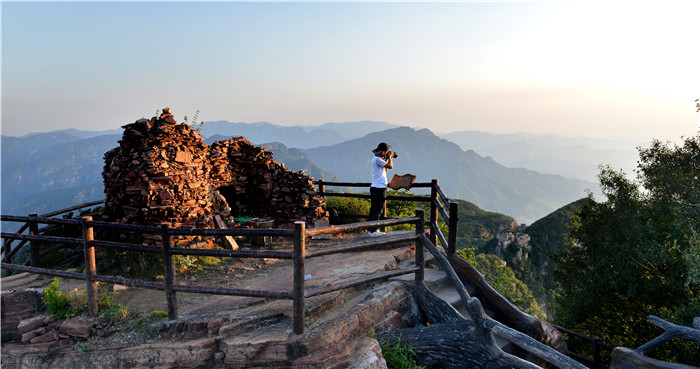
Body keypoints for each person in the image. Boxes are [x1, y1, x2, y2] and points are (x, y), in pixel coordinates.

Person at [368, 142, 395, 236]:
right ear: (383, 152)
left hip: (376, 187)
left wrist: (387, 158)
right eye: (386, 152)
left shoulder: (376, 159)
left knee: (374, 209)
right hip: (379, 188)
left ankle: (371, 229)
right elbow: (390, 166)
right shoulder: (378, 159)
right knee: (377, 210)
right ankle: (373, 231)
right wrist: (390, 157)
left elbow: (385, 170)